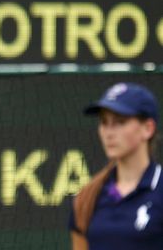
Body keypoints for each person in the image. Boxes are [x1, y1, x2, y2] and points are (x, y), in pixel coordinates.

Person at [69, 82, 163, 250]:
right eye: (104, 122)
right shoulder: (87, 198)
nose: (109, 132)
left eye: (120, 122)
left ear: (148, 128)